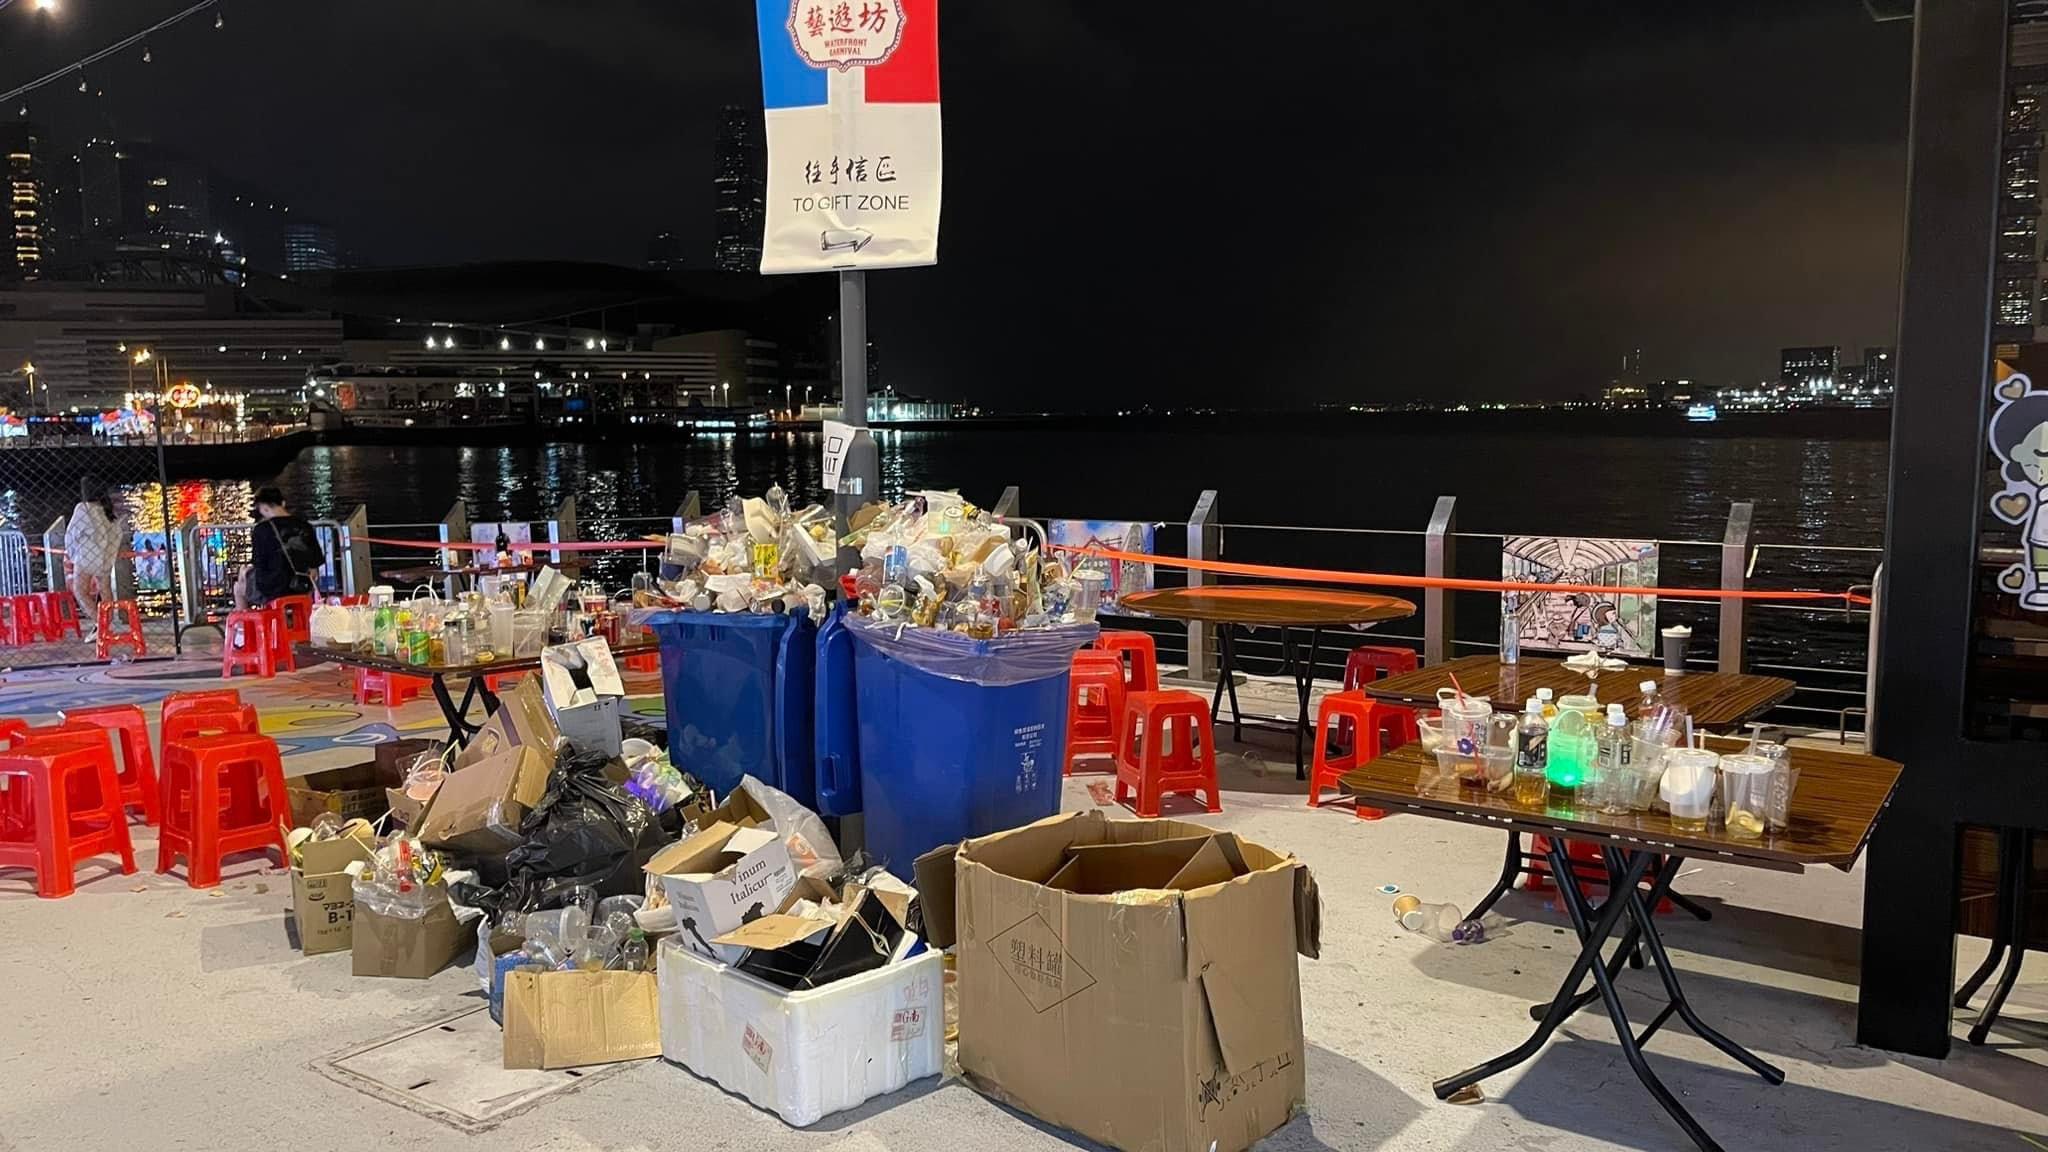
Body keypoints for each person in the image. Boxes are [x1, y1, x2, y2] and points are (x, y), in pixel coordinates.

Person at [236, 486, 321, 610]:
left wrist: (244, 572)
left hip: (271, 589)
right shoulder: (305, 526)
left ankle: (243, 620)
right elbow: (316, 562)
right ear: (283, 503)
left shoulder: (261, 529)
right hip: (302, 586)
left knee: (238, 588)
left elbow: (258, 563)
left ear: (264, 508)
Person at [63, 475, 120, 640]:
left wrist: (72, 553)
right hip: (106, 554)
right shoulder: (107, 510)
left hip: (87, 554)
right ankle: (106, 624)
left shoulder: (83, 508)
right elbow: (117, 533)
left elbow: (72, 533)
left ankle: (101, 624)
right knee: (105, 589)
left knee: (80, 591)